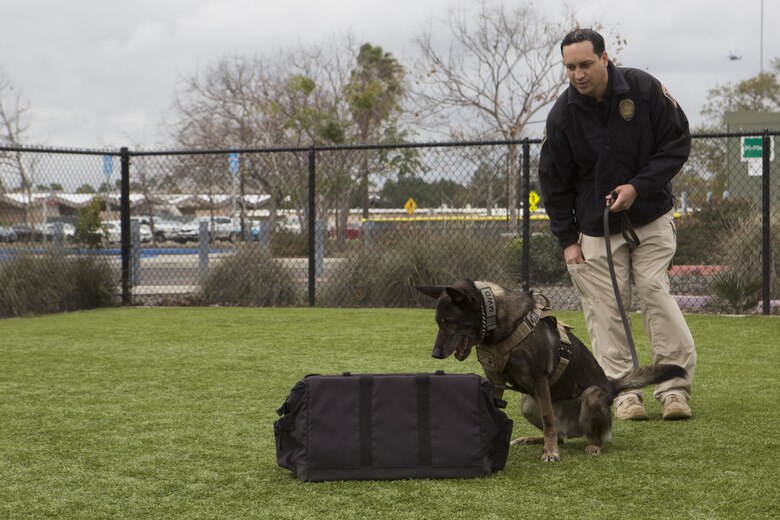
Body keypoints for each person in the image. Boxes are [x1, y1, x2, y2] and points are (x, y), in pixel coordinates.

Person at [538, 28, 696, 420]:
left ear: (604, 58)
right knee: (606, 309)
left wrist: (638, 187)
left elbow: (676, 142)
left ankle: (674, 389)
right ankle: (624, 393)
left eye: (586, 64)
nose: (578, 73)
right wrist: (567, 241)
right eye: (570, 66)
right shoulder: (562, 116)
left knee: (654, 291)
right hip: (594, 229)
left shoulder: (643, 90)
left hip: (650, 216)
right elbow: (553, 184)